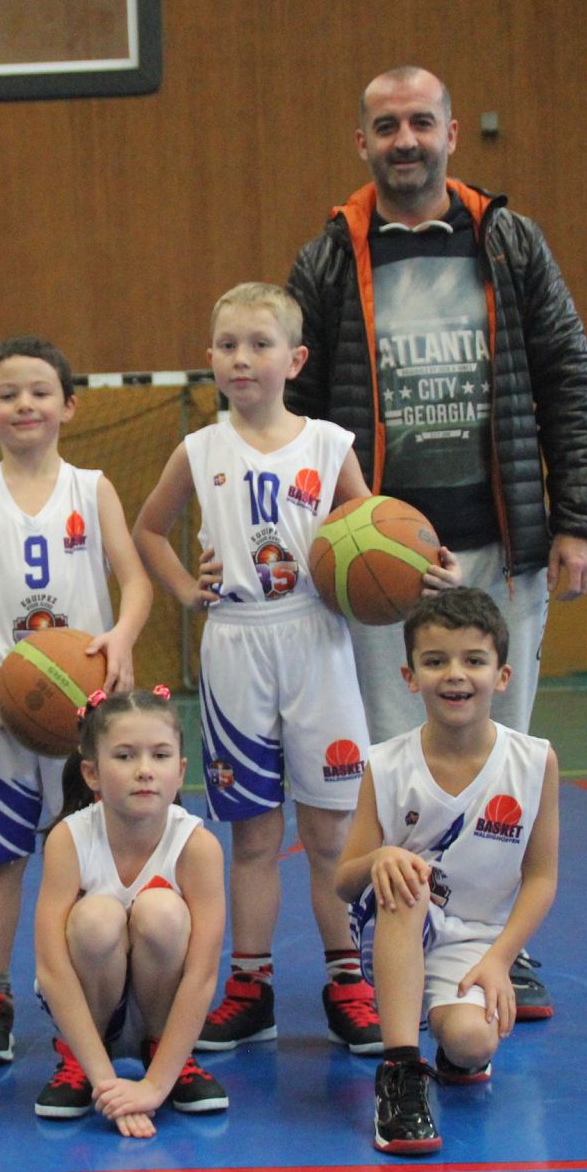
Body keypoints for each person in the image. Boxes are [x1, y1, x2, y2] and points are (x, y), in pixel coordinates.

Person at [285, 66, 587, 1018]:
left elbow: (567, 377)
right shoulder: (330, 259)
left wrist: (579, 518)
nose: (404, 140)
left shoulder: (507, 242)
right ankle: (401, 947)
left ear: (452, 132)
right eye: (384, 125)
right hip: (381, 567)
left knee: (495, 752)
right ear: (362, 142)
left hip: (499, 545)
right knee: (399, 761)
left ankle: (495, 949)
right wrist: (301, 538)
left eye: (419, 122)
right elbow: (294, 414)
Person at [136, 283, 445, 1057]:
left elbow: (380, 537)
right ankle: (250, 984)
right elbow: (148, 529)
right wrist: (183, 589)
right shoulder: (200, 447)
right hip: (235, 639)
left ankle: (349, 979)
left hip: (317, 640)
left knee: (332, 831)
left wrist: (417, 569)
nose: (242, 358)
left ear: (294, 359)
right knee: (249, 836)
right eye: (228, 345)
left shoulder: (328, 444)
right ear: (209, 357)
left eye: (259, 344)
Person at [0, 337, 154, 1065]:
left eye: (38, 392)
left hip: (83, 716)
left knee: (96, 860)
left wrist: (120, 638)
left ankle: (100, 996)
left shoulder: (91, 487)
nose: (23, 405)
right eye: (6, 395)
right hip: (1, 709)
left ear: (68, 405)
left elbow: (136, 579)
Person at [335, 588, 560, 1154]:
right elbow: (343, 880)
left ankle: (445, 1039)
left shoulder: (533, 762)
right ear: (410, 677)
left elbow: (541, 878)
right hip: (396, 929)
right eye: (435, 661)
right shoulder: (385, 765)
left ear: (503, 675)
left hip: (476, 943)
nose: (455, 675)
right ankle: (400, 1071)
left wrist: (500, 960)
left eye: (473, 660)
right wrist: (379, 857)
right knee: (406, 879)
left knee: (470, 1044)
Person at [31, 687, 227, 1137]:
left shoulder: (197, 847)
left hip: (164, 1005)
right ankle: (81, 1056)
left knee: (162, 911)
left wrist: (155, 1086)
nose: (144, 771)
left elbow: (201, 976)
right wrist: (106, 1084)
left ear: (180, 772)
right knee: (97, 918)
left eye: (160, 756)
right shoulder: (70, 839)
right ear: (92, 773)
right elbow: (52, 969)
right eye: (124, 756)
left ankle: (166, 1054)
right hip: (86, 1005)